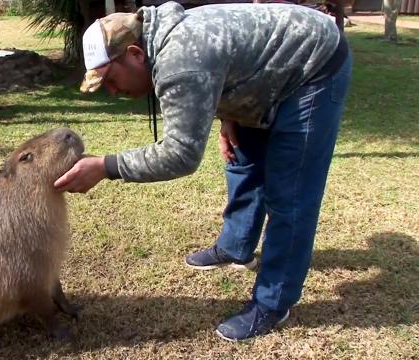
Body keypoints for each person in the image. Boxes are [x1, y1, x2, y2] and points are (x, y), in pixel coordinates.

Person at [54, 1, 351, 341]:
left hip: (314, 65)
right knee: (243, 157)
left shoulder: (179, 63)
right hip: (271, 63)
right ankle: (236, 245)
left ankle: (273, 302)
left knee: (291, 193)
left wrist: (106, 167)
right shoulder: (165, 41)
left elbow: (180, 155)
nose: (112, 91)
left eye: (109, 79)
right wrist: (230, 114)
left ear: (136, 53)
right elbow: (228, 58)